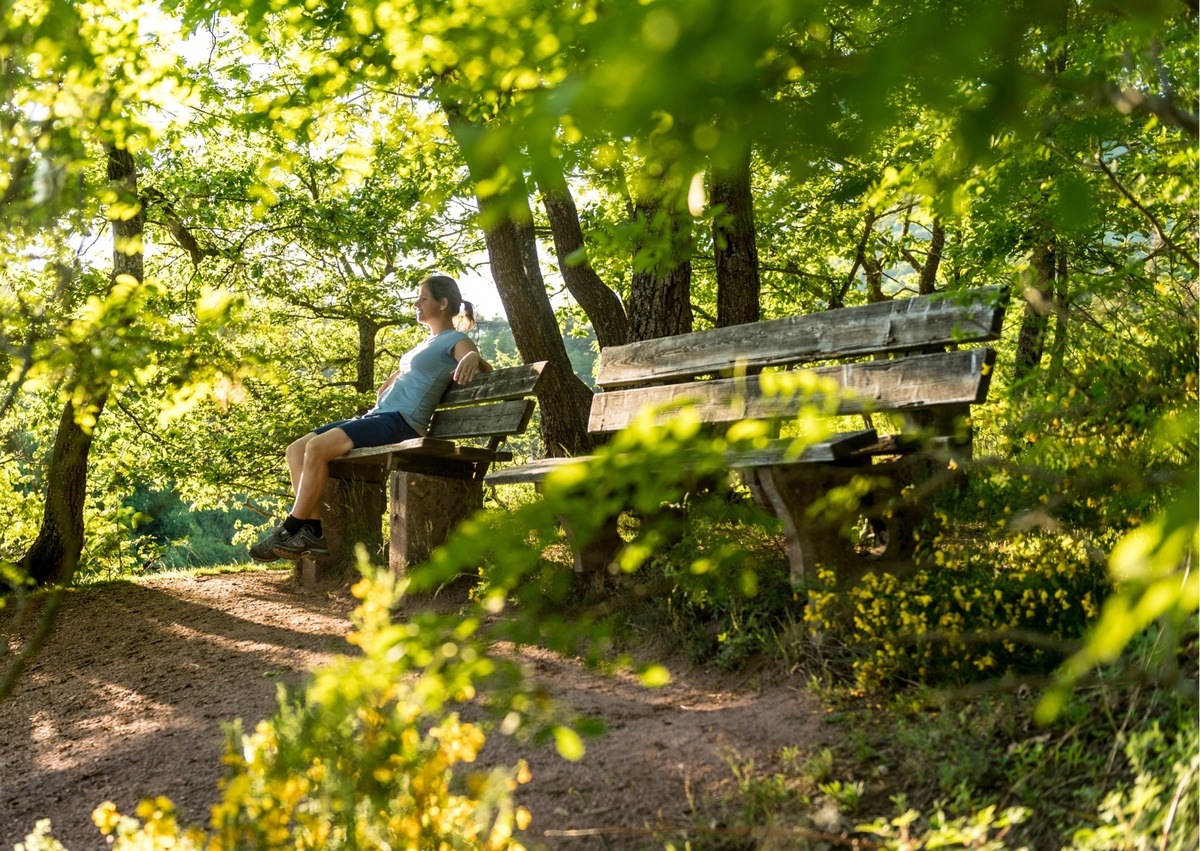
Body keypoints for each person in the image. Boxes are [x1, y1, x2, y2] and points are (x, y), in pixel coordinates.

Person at [250, 274, 492, 561]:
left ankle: (290, 528)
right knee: (297, 449)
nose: (415, 302)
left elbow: (475, 360)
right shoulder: (427, 343)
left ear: (442, 303)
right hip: (380, 416)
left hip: (401, 423)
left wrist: (472, 358)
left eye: (422, 297)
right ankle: (313, 531)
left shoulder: (455, 338)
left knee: (317, 449)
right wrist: (395, 376)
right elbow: (416, 371)